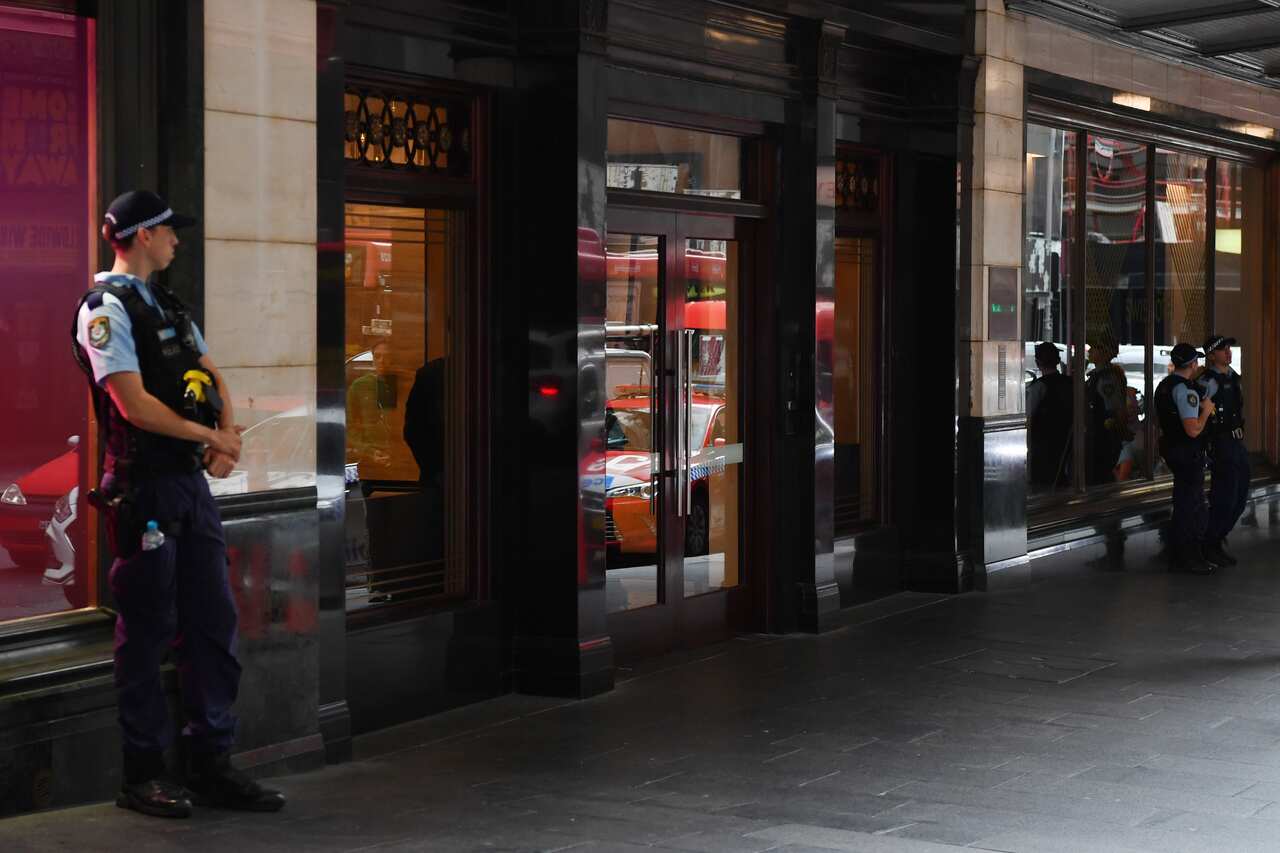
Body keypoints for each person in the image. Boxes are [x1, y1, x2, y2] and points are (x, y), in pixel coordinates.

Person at [71, 191, 285, 818]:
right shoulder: (103, 310)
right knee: (146, 631)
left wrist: (228, 436)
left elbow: (211, 375)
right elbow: (133, 405)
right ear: (139, 236)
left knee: (213, 623)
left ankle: (210, 763)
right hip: (145, 490)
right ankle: (142, 774)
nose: (177, 240)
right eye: (168, 231)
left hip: (189, 487)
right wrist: (209, 438)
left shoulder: (167, 304)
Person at [1154, 342, 1216, 574]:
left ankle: (1179, 554)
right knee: (1191, 505)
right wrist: (1207, 410)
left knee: (1183, 501)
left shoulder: (1163, 386)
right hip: (1187, 452)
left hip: (1172, 449)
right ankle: (1189, 557)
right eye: (1196, 361)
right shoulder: (1187, 391)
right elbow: (1193, 429)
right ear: (1192, 364)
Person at [1198, 334, 1250, 567]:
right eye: (1222, 349)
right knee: (1224, 497)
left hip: (1237, 443)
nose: (1228, 352)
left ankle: (1217, 538)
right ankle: (1209, 543)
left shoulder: (1234, 378)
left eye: (1229, 348)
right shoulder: (1208, 381)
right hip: (1222, 444)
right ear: (1211, 355)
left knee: (1240, 495)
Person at [1026, 342, 1072, 489]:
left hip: (1043, 453)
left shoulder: (1038, 387)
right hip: (1069, 448)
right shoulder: (1071, 384)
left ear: (1037, 363)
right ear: (1058, 361)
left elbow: (1027, 419)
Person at [1084, 339, 1129, 485]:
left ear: (1104, 353)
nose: (1089, 351)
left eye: (1094, 348)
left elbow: (1116, 409)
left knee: (1100, 477)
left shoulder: (1107, 378)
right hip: (1094, 435)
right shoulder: (1097, 375)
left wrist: (1120, 431)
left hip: (1103, 437)